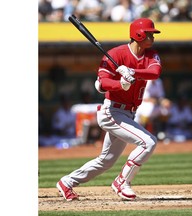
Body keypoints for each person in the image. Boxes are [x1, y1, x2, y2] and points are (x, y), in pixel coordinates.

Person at [56, 17, 162, 201]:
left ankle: (67, 182)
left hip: (128, 114)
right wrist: (120, 83)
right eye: (149, 33)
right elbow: (101, 83)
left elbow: (155, 72)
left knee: (106, 161)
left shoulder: (151, 55)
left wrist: (132, 72)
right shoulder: (116, 54)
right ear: (138, 34)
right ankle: (122, 181)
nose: (152, 37)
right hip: (112, 112)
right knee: (148, 142)